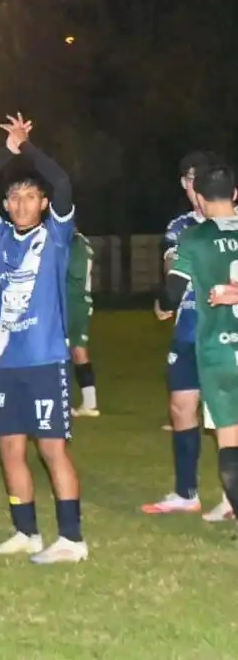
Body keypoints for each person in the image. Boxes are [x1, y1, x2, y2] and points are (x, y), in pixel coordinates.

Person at [0, 113, 88, 564]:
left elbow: (62, 179)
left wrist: (29, 147)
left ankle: (72, 539)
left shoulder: (56, 235)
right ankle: (26, 531)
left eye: (29, 197)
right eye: (14, 197)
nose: (19, 205)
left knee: (52, 448)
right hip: (7, 362)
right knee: (9, 446)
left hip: (45, 360)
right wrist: (6, 154)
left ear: (44, 204)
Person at [142, 151, 232, 520]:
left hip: (224, 328)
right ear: (184, 184)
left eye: (202, 177)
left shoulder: (228, 223)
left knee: (227, 415)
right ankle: (186, 492)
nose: (196, 185)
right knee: (182, 407)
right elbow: (171, 267)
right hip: (189, 328)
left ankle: (231, 497)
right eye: (189, 178)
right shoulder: (181, 227)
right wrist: (169, 294)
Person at [67, 230, 99, 417]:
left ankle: (63, 402)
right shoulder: (82, 241)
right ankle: (89, 403)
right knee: (79, 351)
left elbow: (76, 272)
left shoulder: (74, 243)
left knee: (61, 351)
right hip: (80, 302)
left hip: (72, 303)